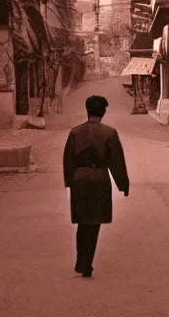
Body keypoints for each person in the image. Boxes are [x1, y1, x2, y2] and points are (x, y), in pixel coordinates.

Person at [63, 95, 129, 277]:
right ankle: (86, 262)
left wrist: (70, 182)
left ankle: (82, 261)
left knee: (83, 222)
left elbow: (68, 160)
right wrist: (123, 184)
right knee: (94, 223)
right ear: (103, 111)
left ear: (87, 110)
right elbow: (116, 161)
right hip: (100, 178)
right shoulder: (110, 133)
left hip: (80, 178)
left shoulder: (75, 132)